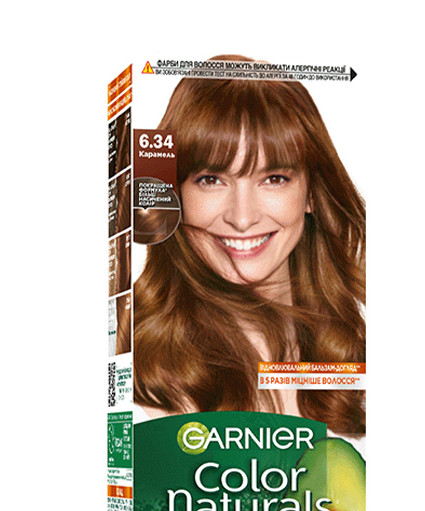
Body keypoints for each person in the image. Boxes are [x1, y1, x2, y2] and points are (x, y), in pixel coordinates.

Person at [133, 56, 366, 439]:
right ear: (173, 194)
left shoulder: (360, 351)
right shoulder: (131, 374)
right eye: (211, 179)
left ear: (311, 193)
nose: (242, 219)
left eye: (274, 178)